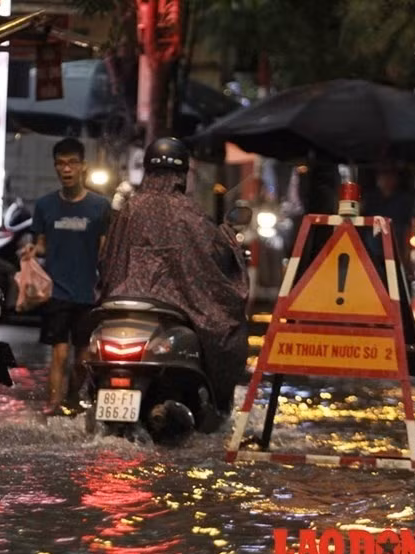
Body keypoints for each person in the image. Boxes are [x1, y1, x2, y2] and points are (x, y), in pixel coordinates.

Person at [99, 137, 249, 413]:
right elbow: (212, 256)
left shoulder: (130, 209)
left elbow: (109, 259)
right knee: (227, 333)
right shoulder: (188, 213)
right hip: (178, 302)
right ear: (181, 174)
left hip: (124, 300)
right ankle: (217, 405)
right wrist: (232, 248)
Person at [22, 137, 110, 416]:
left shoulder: (100, 207)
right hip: (56, 292)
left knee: (82, 358)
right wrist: (31, 250)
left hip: (87, 293)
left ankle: (72, 400)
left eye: (72, 163)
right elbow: (42, 245)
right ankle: (52, 408)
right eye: (60, 163)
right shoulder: (46, 205)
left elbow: (105, 251)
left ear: (83, 166)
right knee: (58, 354)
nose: (66, 169)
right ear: (55, 168)